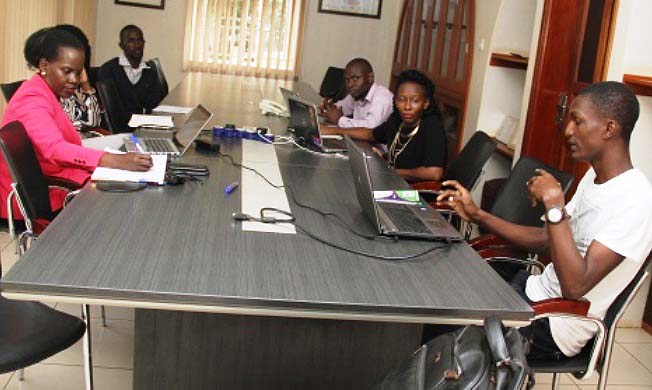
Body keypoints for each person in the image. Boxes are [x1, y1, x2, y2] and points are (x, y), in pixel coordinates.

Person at [436, 81, 652, 360]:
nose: (568, 131)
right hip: (532, 292)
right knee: (442, 293)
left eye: (578, 121)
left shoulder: (637, 201)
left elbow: (575, 286)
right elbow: (546, 239)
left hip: (553, 324)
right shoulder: (594, 177)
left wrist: (554, 204)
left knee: (447, 327)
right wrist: (478, 215)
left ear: (609, 129)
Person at [0, 28, 153, 219]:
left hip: (58, 180)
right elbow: (54, 149)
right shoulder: (32, 99)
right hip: (46, 194)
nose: (74, 80)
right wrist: (114, 161)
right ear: (44, 65)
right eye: (67, 71)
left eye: (78, 72)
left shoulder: (46, 90)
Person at [322, 69, 447, 182]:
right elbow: (371, 134)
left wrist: (390, 171)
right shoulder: (398, 119)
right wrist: (333, 131)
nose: (407, 107)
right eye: (402, 100)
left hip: (416, 193)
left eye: (415, 101)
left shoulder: (432, 126)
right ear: (396, 100)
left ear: (426, 103)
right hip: (394, 182)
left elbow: (434, 173)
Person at [98, 24, 164, 119]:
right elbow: (111, 110)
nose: (137, 45)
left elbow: (154, 106)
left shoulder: (150, 73)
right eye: (131, 41)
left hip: (143, 126)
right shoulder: (108, 70)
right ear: (121, 45)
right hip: (119, 129)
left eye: (140, 40)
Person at [318, 58, 393, 129]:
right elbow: (341, 107)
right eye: (347, 80)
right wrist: (328, 108)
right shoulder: (356, 94)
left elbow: (371, 128)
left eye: (355, 78)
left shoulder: (382, 98)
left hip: (374, 142)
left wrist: (339, 120)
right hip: (359, 141)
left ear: (370, 78)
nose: (349, 84)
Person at [54, 24, 101, 131]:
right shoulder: (57, 84)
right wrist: (81, 123)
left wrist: (86, 86)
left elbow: (94, 122)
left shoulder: (77, 86)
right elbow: (67, 126)